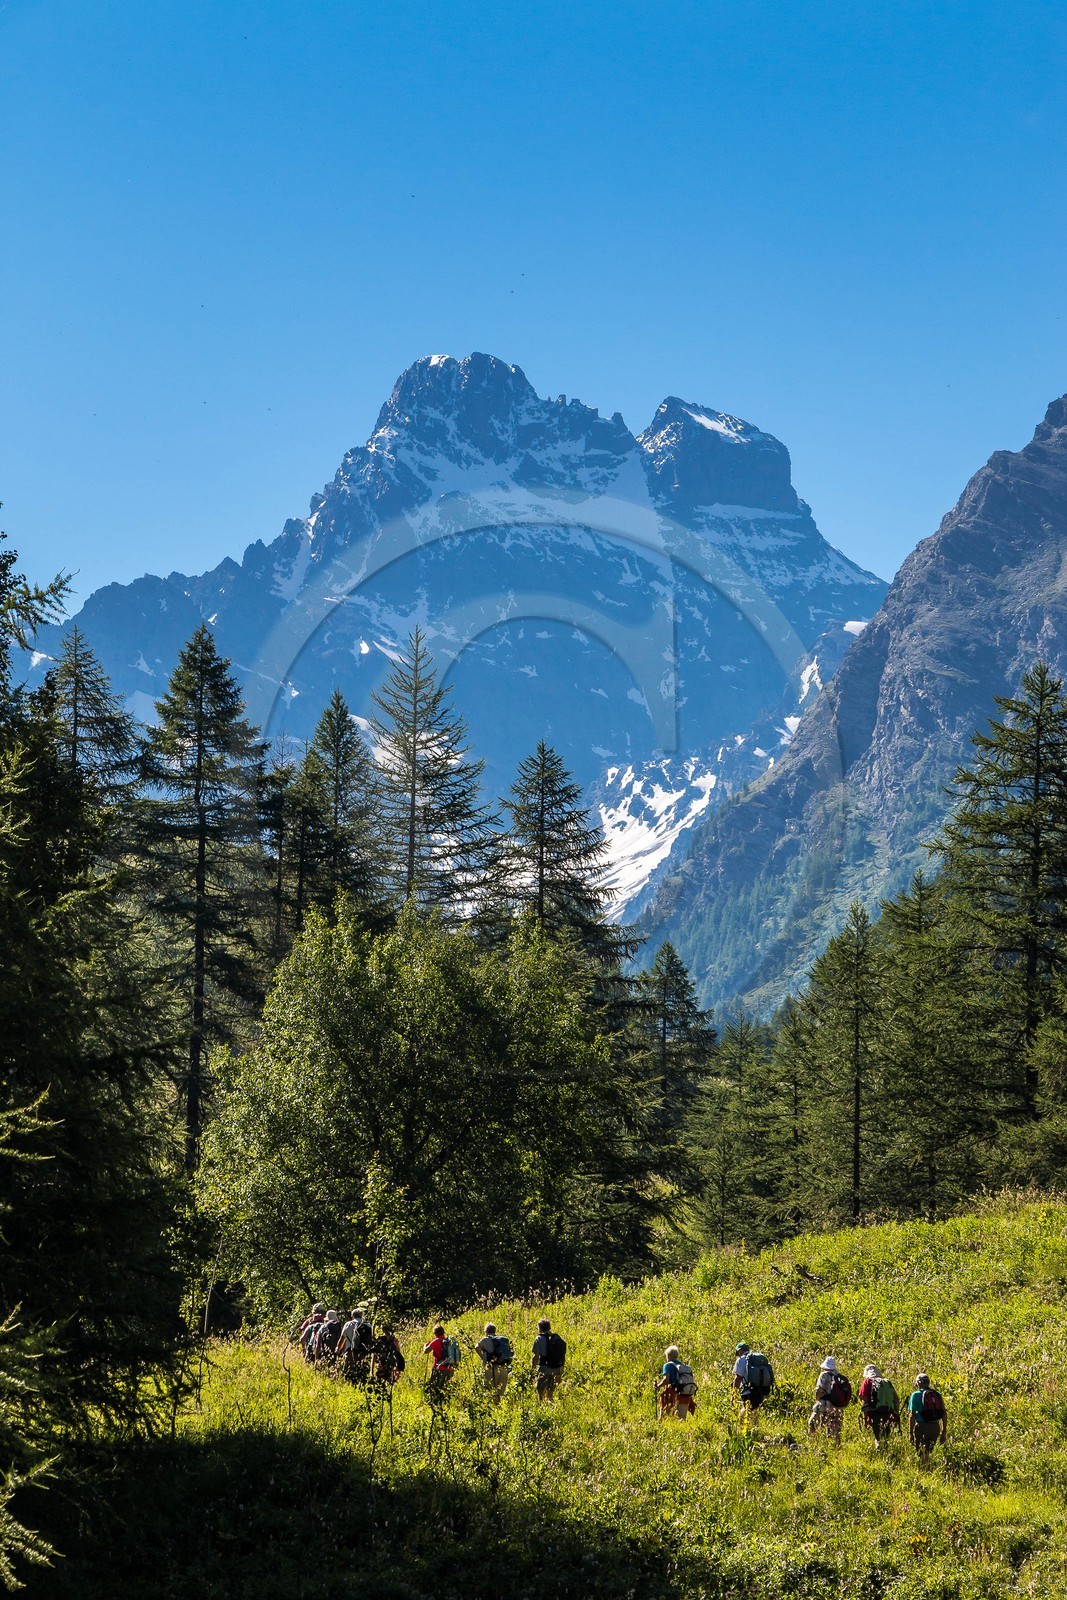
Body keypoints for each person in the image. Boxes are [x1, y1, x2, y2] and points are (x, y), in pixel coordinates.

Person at [808, 1355, 852, 1445]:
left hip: (824, 1407)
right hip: (837, 1408)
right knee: (835, 1431)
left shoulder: (824, 1375)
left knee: (812, 1423)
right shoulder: (839, 1377)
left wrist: (817, 1401)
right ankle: (836, 1448)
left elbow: (819, 1390)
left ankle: (814, 1443)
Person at [907, 1372, 947, 1459]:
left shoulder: (916, 1395)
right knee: (928, 1453)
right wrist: (944, 1432)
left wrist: (910, 1433)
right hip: (935, 1428)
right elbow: (944, 1414)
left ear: (919, 1383)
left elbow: (912, 1415)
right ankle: (929, 1469)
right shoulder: (937, 1394)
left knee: (921, 1454)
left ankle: (924, 1470)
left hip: (922, 1427)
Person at [859, 1363, 900, 1447]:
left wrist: (865, 1418)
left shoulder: (867, 1382)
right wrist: (895, 1414)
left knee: (878, 1437)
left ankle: (880, 1454)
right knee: (885, 1436)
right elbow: (896, 1399)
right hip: (888, 1412)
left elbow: (865, 1401)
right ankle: (886, 1453)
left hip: (875, 1413)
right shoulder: (886, 1382)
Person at [732, 1341, 774, 1416]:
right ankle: (755, 1426)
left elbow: (738, 1378)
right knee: (754, 1410)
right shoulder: (756, 1360)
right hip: (762, 1389)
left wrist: (734, 1394)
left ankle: (741, 1426)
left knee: (747, 1410)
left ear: (739, 1351)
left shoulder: (741, 1360)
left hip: (748, 1390)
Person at [656, 1344, 697, 1421]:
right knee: (682, 1419)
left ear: (669, 1355)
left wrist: (658, 1386)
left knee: (665, 1417)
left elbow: (666, 1380)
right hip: (684, 1394)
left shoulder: (667, 1365)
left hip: (672, 1393)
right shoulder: (682, 1365)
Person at [474, 1322, 513, 1400]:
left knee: (489, 1391)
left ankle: (491, 1409)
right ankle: (498, 1408)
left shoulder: (486, 1339)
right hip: (503, 1368)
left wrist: (482, 1357)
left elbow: (476, 1347)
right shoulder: (503, 1340)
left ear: (486, 1331)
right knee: (499, 1392)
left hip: (491, 1368)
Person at [531, 1318, 566, 1401]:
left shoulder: (539, 1338)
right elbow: (562, 1356)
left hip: (544, 1368)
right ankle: (550, 1407)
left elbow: (536, 1357)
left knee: (540, 1390)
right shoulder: (556, 1338)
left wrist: (532, 1370)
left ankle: (541, 1407)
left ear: (540, 1328)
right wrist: (560, 1372)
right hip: (556, 1369)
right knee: (550, 1392)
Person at [423, 1324, 459, 1388]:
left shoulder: (436, 1341)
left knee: (433, 1387)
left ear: (435, 1333)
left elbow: (426, 1351)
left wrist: (425, 1345)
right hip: (450, 1369)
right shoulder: (449, 1341)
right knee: (446, 1388)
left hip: (439, 1369)